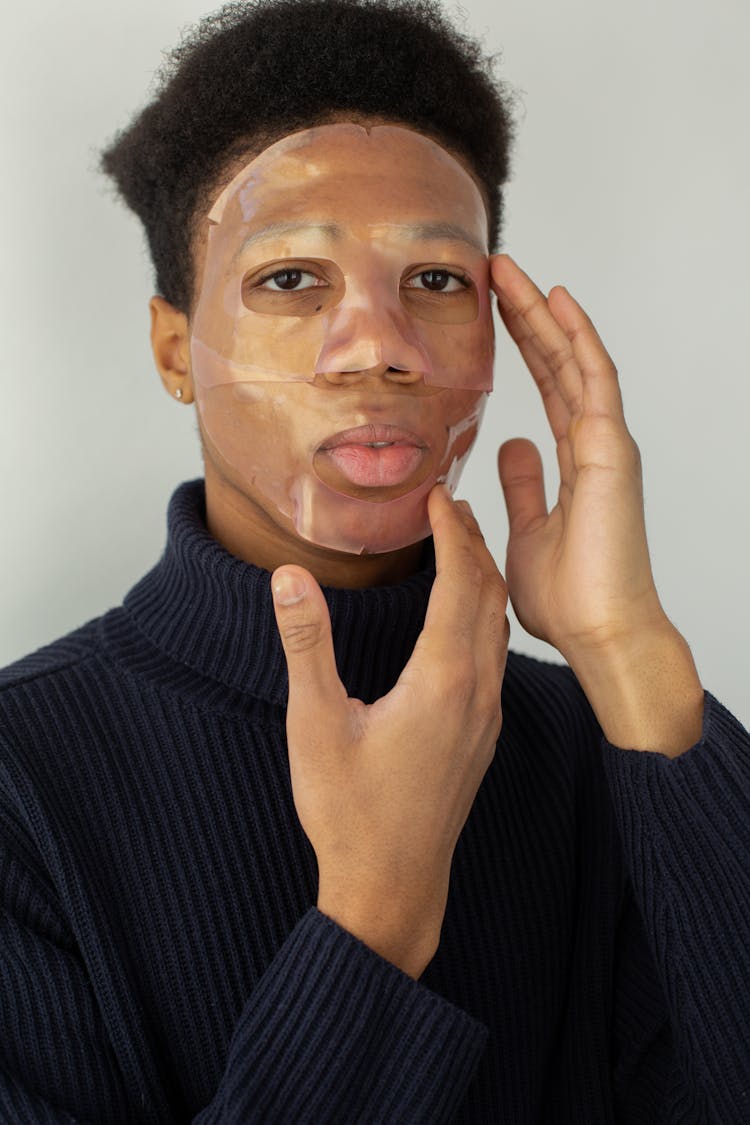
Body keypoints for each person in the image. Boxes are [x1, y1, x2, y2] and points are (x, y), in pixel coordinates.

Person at [1, 0, 748, 1121]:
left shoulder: (619, 750)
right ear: (173, 350)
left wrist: (630, 652)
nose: (380, 349)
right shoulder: (23, 783)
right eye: (290, 280)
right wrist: (376, 917)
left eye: (438, 282)